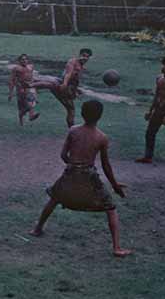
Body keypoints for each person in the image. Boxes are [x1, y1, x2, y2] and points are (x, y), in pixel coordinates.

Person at [29, 100, 131, 257]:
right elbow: (106, 166)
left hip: (70, 173)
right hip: (89, 176)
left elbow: (63, 155)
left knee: (54, 199)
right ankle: (117, 247)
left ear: (82, 113)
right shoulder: (102, 137)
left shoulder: (73, 131)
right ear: (100, 116)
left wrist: (73, 167)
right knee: (111, 209)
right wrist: (115, 185)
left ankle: (37, 229)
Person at [135, 56, 165, 167]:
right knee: (150, 132)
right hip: (158, 109)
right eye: (163, 64)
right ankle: (148, 156)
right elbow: (157, 95)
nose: (163, 67)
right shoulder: (159, 78)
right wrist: (150, 110)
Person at [50, 48, 92, 127]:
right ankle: (71, 130)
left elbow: (75, 81)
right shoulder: (73, 61)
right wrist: (65, 84)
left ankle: (71, 129)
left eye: (87, 57)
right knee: (71, 110)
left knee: (71, 110)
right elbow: (68, 74)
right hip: (64, 87)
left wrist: (76, 90)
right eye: (83, 55)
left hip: (68, 88)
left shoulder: (81, 67)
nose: (85, 58)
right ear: (79, 55)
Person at [7, 54, 40, 126]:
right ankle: (21, 120)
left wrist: (36, 88)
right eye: (22, 59)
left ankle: (31, 116)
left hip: (30, 87)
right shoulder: (16, 69)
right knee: (22, 107)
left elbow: (33, 78)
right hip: (21, 88)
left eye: (26, 59)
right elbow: (11, 80)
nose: (24, 61)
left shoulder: (31, 67)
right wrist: (10, 93)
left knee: (31, 102)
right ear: (19, 61)